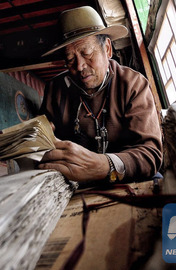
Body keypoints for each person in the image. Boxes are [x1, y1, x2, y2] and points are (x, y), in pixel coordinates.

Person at [37, 6, 163, 184]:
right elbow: (40, 142)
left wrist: (104, 166)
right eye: (70, 59)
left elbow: (150, 155)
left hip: (126, 177)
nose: (80, 66)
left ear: (108, 49)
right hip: (75, 182)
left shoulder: (133, 84)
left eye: (87, 53)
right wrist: (41, 140)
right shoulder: (55, 89)